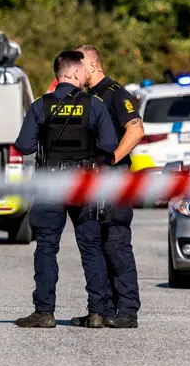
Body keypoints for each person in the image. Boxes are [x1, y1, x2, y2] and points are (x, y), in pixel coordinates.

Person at [12, 50, 119, 329]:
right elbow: (109, 145)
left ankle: (44, 312)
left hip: (49, 183)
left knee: (46, 248)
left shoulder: (40, 105)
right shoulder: (94, 105)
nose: (86, 76)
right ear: (72, 73)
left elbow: (23, 146)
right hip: (83, 183)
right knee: (91, 248)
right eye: (83, 71)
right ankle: (96, 312)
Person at [75, 44, 145, 329]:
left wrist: (113, 158)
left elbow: (136, 129)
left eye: (78, 68)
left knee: (116, 245)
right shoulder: (89, 97)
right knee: (97, 245)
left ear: (91, 66)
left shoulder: (115, 93)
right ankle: (102, 309)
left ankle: (127, 310)